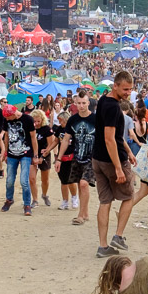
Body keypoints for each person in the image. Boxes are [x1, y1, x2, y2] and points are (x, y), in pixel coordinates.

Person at [93, 71, 137, 258]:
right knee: (128, 197)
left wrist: (128, 150)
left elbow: (117, 136)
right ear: (115, 86)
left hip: (98, 159)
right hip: (111, 160)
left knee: (105, 202)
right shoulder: (112, 107)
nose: (128, 93)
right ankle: (118, 236)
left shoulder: (104, 100)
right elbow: (110, 139)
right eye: (125, 89)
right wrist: (119, 167)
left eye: (130, 89)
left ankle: (103, 247)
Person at [60, 94, 96, 226]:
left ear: (88, 103)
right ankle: (85, 212)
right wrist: (59, 158)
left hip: (92, 158)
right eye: (79, 103)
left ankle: (80, 215)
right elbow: (65, 139)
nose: (81, 106)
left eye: (83, 103)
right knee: (80, 185)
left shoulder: (96, 119)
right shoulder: (72, 120)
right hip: (77, 157)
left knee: (83, 184)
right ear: (75, 103)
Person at [1, 103, 38, 216]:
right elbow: (6, 136)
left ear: (13, 114)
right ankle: (9, 199)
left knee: (24, 181)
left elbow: (33, 137)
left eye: (8, 117)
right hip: (12, 154)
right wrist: (5, 152)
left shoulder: (28, 119)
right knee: (9, 180)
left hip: (25, 154)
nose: (7, 119)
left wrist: (35, 155)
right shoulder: (7, 120)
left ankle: (27, 204)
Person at [31, 108, 55, 208]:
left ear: (42, 119)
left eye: (38, 121)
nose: (36, 123)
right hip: (32, 155)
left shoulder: (46, 129)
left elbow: (51, 144)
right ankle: (35, 199)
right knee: (32, 179)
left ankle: (44, 195)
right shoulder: (30, 128)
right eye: (34, 121)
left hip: (44, 155)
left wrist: (43, 156)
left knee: (44, 179)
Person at [53, 110, 77, 210]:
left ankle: (74, 198)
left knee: (71, 180)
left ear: (66, 120)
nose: (60, 123)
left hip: (72, 156)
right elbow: (55, 141)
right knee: (63, 181)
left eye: (61, 121)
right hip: (62, 157)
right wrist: (48, 150)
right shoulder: (59, 129)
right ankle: (65, 201)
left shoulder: (73, 129)